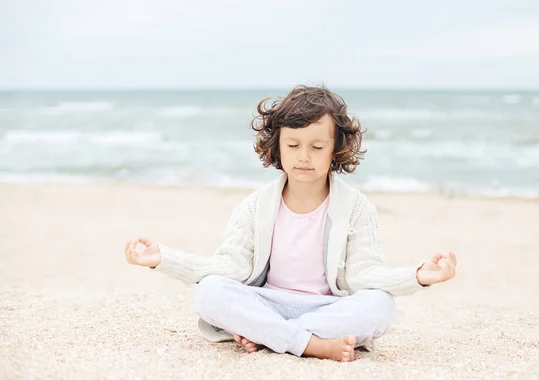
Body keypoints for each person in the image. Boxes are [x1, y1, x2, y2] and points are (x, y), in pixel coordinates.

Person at [124, 85, 457, 362]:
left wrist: (417, 275)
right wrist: (162, 259)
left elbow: (364, 275)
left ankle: (269, 335)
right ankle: (310, 344)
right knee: (210, 292)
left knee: (381, 305)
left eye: (317, 146)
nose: (303, 157)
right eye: (293, 145)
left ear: (336, 149)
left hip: (327, 307)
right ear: (277, 146)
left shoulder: (356, 208)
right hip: (267, 301)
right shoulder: (254, 206)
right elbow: (229, 268)